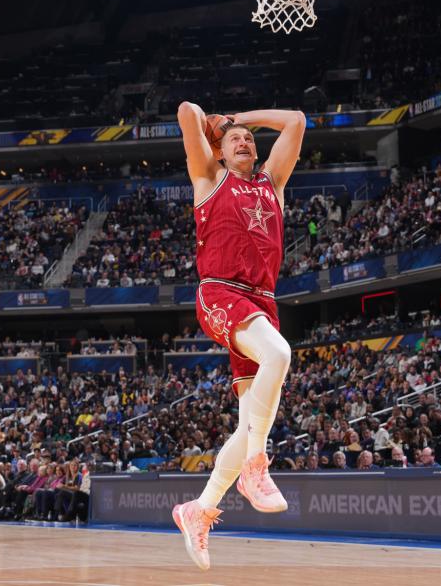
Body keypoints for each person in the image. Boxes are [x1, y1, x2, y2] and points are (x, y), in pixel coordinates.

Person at [171, 101, 305, 571]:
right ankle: (255, 467)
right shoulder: (209, 180)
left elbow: (295, 121)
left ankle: (199, 509)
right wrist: (218, 126)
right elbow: (188, 110)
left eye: (250, 138)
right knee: (280, 355)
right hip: (220, 293)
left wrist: (241, 118)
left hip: (261, 302)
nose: (246, 140)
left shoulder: (273, 184)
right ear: (220, 153)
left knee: (248, 424)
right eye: (236, 140)